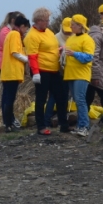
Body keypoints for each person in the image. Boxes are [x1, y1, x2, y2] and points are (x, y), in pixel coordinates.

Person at [25, 7, 67, 135]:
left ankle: (63, 124)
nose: (48, 22)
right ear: (39, 20)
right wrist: (36, 72)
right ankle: (41, 126)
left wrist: (60, 50)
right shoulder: (32, 36)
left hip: (53, 70)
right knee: (41, 98)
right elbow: (32, 56)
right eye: (46, 20)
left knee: (61, 96)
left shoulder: (48, 32)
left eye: (48, 20)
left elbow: (51, 48)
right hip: (42, 70)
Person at [63, 14, 95, 137]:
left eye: (73, 24)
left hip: (82, 74)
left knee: (80, 99)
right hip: (70, 74)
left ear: (80, 26)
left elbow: (88, 57)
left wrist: (74, 54)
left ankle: (84, 126)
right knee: (77, 100)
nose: (71, 26)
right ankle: (80, 126)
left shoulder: (87, 39)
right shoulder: (70, 39)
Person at [0, 14, 30, 132]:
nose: (26, 31)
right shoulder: (15, 34)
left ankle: (8, 123)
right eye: (26, 28)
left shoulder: (12, 34)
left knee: (8, 98)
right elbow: (14, 52)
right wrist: (28, 60)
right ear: (21, 26)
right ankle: (8, 124)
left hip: (9, 72)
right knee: (9, 99)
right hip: (12, 72)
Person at [86, 21, 103, 125]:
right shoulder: (98, 37)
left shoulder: (94, 35)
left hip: (93, 70)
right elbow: (94, 57)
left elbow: (102, 57)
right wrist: (96, 75)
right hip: (95, 71)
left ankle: (83, 120)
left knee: (88, 96)